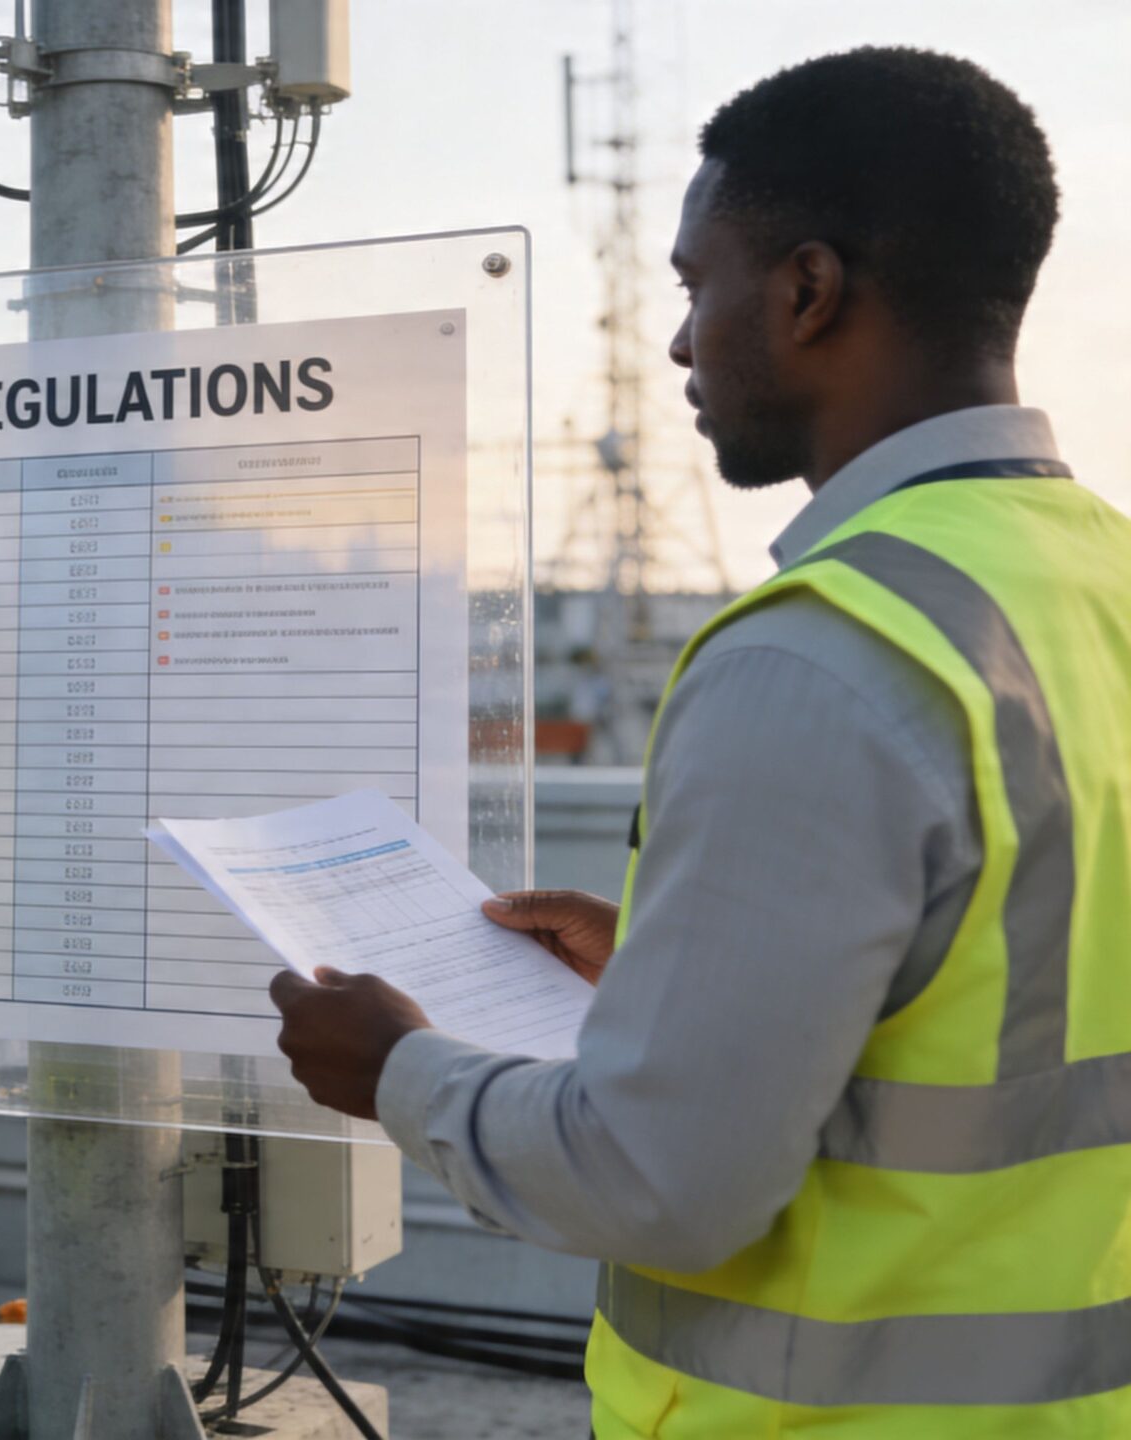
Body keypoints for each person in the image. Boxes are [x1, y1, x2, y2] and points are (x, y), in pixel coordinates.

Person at [264, 48, 1130, 1436]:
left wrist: (398, 1070)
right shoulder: (1090, 584)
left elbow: (661, 1182)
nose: (678, 342)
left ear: (804, 289)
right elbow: (1016, 987)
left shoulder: (820, 654)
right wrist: (690, 976)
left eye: (693, 282)